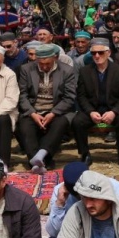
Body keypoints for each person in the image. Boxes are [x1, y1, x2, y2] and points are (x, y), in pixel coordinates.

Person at [44, 162, 119, 238]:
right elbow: (54, 233)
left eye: (91, 198)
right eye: (81, 197)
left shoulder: (112, 187)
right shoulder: (60, 193)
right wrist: (60, 204)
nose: (87, 204)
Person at [72, 37, 119, 168]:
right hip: (93, 108)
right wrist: (90, 112)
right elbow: (81, 96)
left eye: (100, 52)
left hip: (115, 108)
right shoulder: (85, 71)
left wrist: (114, 112)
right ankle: (85, 154)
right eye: (93, 53)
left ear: (108, 53)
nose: (97, 56)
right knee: (77, 121)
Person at [17, 43, 76, 174]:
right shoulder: (26, 69)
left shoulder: (67, 70)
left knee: (59, 124)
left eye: (47, 64)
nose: (44, 67)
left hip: (57, 109)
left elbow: (69, 97)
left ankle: (40, 156)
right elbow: (22, 95)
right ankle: (39, 160)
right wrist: (33, 113)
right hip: (33, 109)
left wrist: (53, 113)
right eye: (41, 63)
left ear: (55, 58)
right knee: (25, 126)